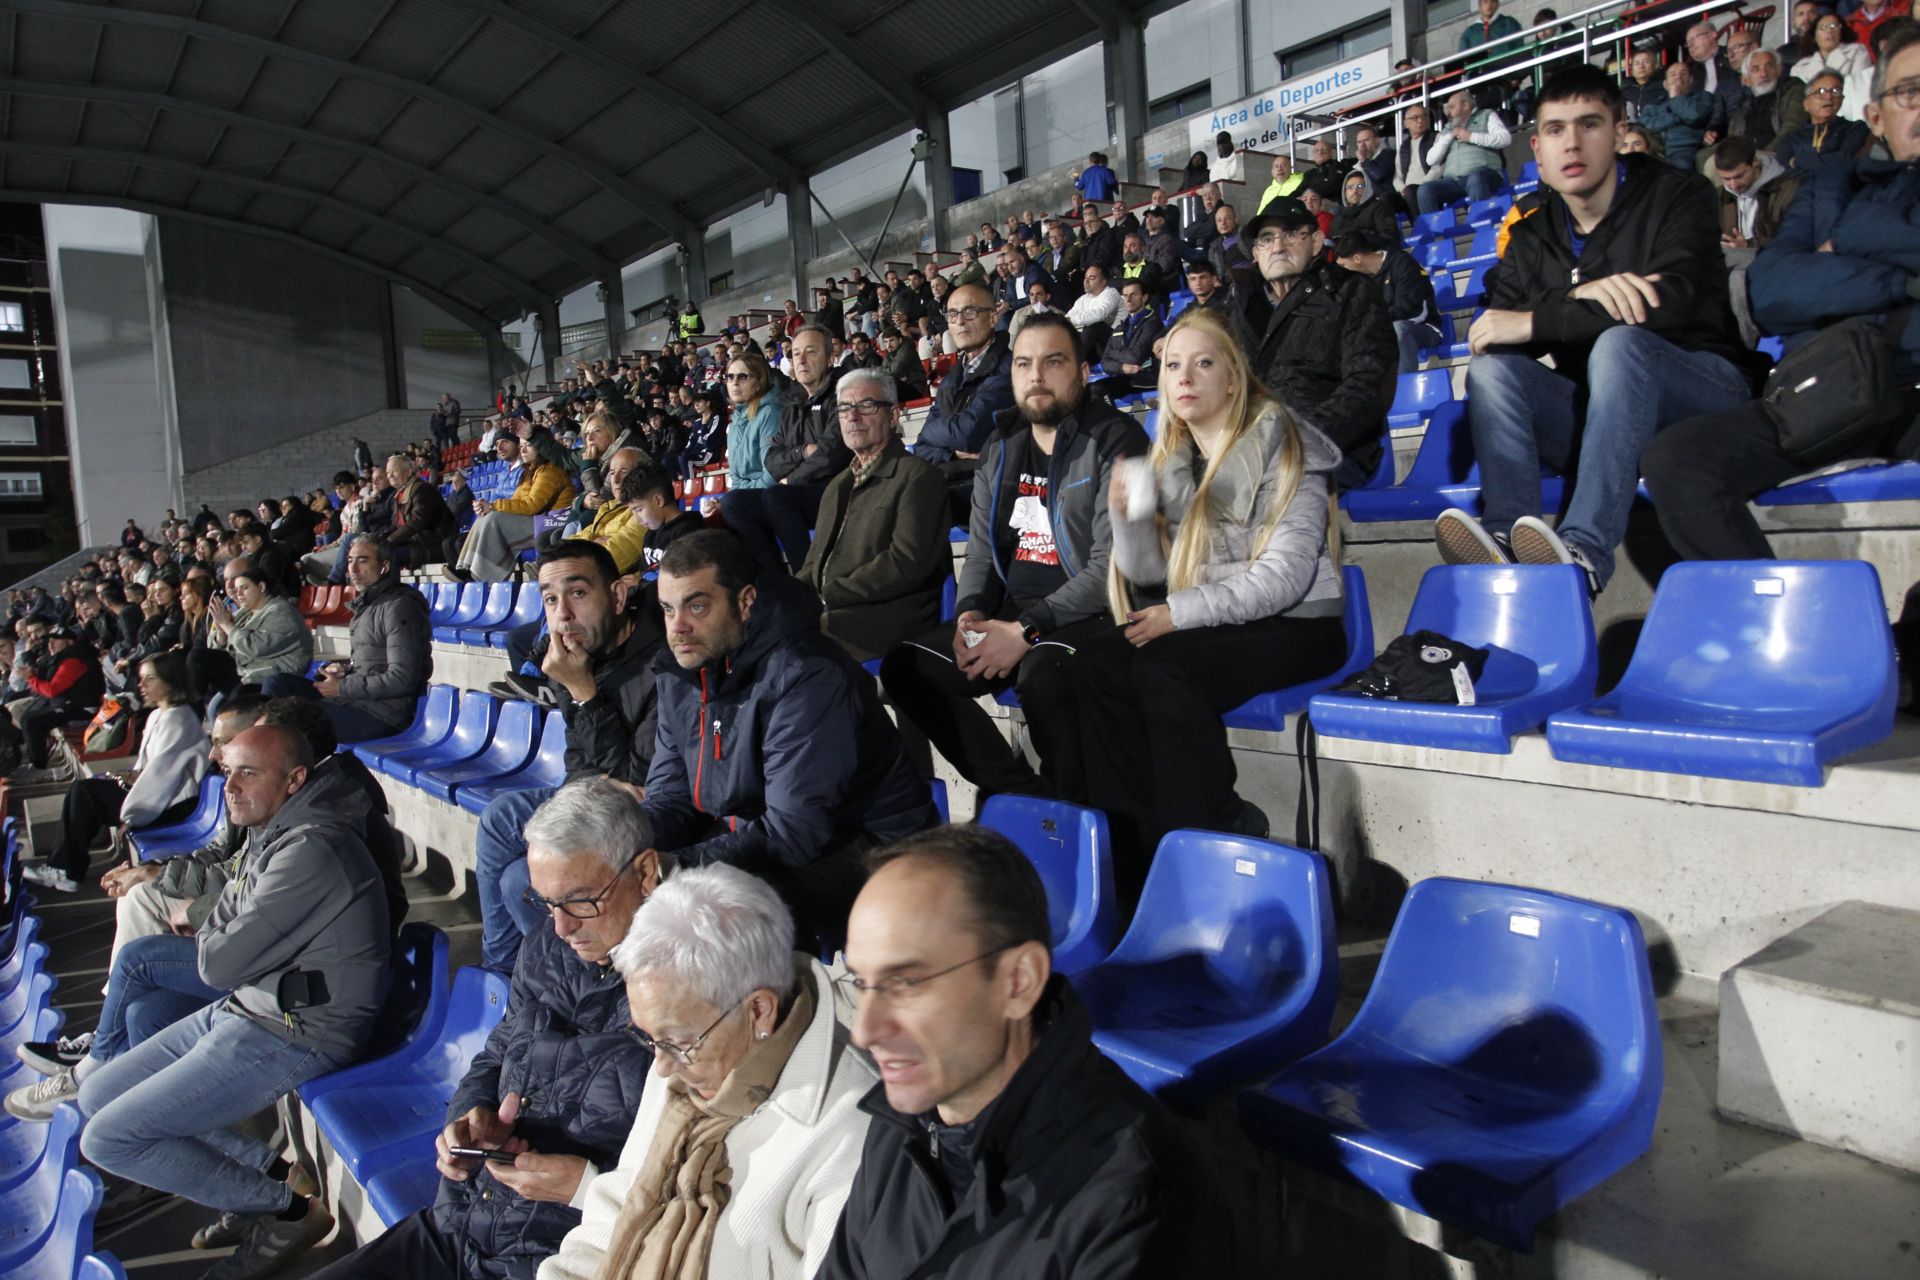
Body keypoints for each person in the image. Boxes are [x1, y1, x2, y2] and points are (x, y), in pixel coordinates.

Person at [817, 826, 1237, 1279]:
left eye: (906, 983)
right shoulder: (898, 1126)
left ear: (1019, 982)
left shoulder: (1136, 1198)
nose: (865, 1031)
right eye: (862, 982)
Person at [1431, 65, 1765, 596]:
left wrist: (1541, 318)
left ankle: (1583, 551)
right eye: (1556, 130)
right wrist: (1577, 295)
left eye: (1589, 125)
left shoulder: (1678, 194)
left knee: (1620, 343)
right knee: (1492, 371)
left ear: (1617, 132)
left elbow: (1668, 306)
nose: (1572, 143)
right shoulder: (1533, 232)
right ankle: (1505, 537)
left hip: (1703, 396)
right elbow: (1494, 332)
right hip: (1602, 416)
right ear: (1537, 149)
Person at [305, 779, 658, 1280]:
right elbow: (498, 1050)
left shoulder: (693, 993)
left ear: (645, 872)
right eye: (546, 902)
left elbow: (699, 1195)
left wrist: (586, 1187)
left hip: (558, 1256)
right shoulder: (549, 944)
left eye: (580, 901)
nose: (561, 928)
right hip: (460, 1223)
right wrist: (471, 1116)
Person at [75, 723, 390, 1280]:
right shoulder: (275, 831)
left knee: (109, 1139)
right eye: (226, 772)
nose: (230, 787)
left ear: (294, 779)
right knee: (96, 1094)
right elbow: (224, 927)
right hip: (252, 1006)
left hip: (299, 1030)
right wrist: (223, 929)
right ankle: (267, 1179)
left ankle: (287, 1214)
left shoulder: (311, 848)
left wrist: (220, 930)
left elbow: (215, 964)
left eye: (248, 772)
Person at [1074, 307, 1349, 894]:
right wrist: (1129, 520)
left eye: (1203, 363)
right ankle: (1137, 856)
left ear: (1233, 378)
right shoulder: (1173, 460)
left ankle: (1206, 842)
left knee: (1164, 668)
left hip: (1301, 624)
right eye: (1174, 365)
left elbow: (1286, 577)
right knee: (1095, 663)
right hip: (1218, 619)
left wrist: (1179, 614)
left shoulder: (1286, 447)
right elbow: (1153, 573)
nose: (1185, 377)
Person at [1643, 27, 1920, 561]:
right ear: (1876, 115)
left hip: (1913, 386)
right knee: (1676, 458)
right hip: (1826, 388)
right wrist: (1902, 281)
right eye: (1909, 92)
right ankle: (1774, 608)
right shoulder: (1832, 183)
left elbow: (1803, 280)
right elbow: (1770, 288)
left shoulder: (1838, 208)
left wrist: (1842, 250)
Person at [537, 862, 872, 1280]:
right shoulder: (686, 1053)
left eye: (676, 1042)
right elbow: (612, 1216)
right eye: (649, 1038)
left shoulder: (851, 1130)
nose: (662, 1069)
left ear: (759, 1011)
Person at [880, 314, 1149, 802]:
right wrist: (970, 615)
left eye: (1053, 362)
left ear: (1082, 372)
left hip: (1095, 614)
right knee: (906, 667)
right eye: (1024, 363)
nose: (1036, 376)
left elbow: (1114, 567)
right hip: (1017, 612)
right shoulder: (1001, 444)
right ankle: (1021, 793)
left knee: (1045, 676)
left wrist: (1026, 630)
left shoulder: (1121, 440)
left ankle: (1077, 811)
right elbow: (982, 551)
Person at [645, 530, 936, 946]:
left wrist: (675, 866)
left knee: (705, 916)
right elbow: (671, 797)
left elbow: (795, 832)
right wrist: (628, 852)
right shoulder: (681, 673)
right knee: (621, 889)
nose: (678, 627)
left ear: (745, 601)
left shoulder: (807, 674)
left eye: (697, 606)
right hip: (765, 835)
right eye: (667, 609)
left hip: (875, 850)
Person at [474, 540, 663, 969]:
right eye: (550, 599)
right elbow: (579, 763)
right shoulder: (575, 653)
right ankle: (500, 970)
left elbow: (636, 784)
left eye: (577, 593)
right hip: (598, 795)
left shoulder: (660, 665)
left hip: (644, 815)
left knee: (519, 881)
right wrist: (578, 690)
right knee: (500, 818)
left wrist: (584, 692)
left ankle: (564, 977)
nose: (563, 614)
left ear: (617, 596)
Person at [1234, 205, 1398, 487]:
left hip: (1333, 451)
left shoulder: (1351, 291)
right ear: (1256, 254)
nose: (1278, 247)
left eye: (1291, 235)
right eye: (1267, 239)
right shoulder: (1240, 308)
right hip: (1254, 454)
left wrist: (1300, 436)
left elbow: (1368, 384)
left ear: (1316, 241)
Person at [21, 652, 208, 894]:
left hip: (172, 805)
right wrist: (123, 778)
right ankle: (65, 868)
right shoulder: (160, 714)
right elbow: (149, 769)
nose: (141, 685)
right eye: (141, 678)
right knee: (85, 789)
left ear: (171, 681)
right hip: (160, 797)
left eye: (150, 678)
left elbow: (162, 778)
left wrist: (133, 816)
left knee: (85, 793)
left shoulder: (178, 720)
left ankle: (66, 870)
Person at [796, 370, 949, 663]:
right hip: (836, 610)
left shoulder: (918, 476)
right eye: (844, 408)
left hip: (886, 617)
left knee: (796, 645)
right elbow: (814, 564)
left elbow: (905, 563)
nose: (852, 417)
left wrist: (828, 595)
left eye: (866, 406)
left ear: (893, 416)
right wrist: (788, 595)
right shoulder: (836, 486)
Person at [726, 326, 847, 574]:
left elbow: (830, 456)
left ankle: (807, 577)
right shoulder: (791, 403)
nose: (801, 360)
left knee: (777, 496)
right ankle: (774, 581)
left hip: (836, 489)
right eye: (795, 353)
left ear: (830, 358)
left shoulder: (843, 393)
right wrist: (801, 452)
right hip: (798, 493)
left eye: (810, 352)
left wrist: (791, 479)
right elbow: (772, 460)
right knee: (734, 503)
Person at [302, 535, 433, 742]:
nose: (352, 569)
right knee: (280, 687)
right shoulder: (370, 604)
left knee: (293, 721)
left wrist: (342, 688)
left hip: (383, 715)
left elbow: (402, 678)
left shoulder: (400, 607)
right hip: (357, 702)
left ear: (384, 567)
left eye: (362, 561)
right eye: (350, 561)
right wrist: (345, 670)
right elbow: (373, 661)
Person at [449, 432, 572, 581]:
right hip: (538, 520)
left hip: (552, 522)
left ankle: (481, 577)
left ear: (541, 447)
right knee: (485, 518)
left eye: (528, 445)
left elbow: (532, 505)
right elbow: (517, 500)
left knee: (494, 519)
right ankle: (466, 568)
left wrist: (493, 506)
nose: (523, 450)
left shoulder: (550, 470)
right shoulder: (530, 472)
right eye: (521, 446)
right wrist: (487, 507)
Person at [198, 554, 313, 701]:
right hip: (246, 672)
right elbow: (216, 650)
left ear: (261, 587)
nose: (237, 592)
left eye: (244, 587)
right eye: (228, 581)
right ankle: (192, 704)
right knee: (198, 657)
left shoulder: (283, 612)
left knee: (237, 697)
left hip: (271, 679)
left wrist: (227, 625)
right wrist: (221, 633)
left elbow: (256, 647)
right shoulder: (245, 612)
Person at [1336, 228, 1443, 373]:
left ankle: (1404, 384)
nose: (1343, 270)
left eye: (1344, 265)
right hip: (1383, 332)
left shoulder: (1402, 263)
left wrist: (1373, 321)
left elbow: (1409, 307)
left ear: (1357, 259)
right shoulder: (1359, 281)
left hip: (1422, 327)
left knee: (1397, 328)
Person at [13, 624, 105, 772]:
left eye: (56, 640)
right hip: (71, 705)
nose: (50, 645)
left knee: (32, 723)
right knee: (27, 718)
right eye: (49, 641)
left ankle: (38, 768)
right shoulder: (64, 657)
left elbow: (52, 690)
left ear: (69, 642)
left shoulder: (74, 659)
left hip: (83, 709)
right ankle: (36, 761)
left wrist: (30, 678)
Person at [1420, 89, 1512, 212]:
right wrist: (1449, 137)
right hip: (1454, 181)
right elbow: (1430, 160)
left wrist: (1471, 137)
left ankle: (1480, 218)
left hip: (1486, 174)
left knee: (1475, 178)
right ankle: (1433, 224)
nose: (1447, 111)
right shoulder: (1447, 129)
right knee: (1425, 190)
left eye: (1452, 107)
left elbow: (1505, 138)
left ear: (1465, 106)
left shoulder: (1486, 115)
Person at [1773, 69, 1874, 168]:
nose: (1829, 96)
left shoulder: (1855, 129)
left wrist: (1797, 161)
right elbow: (1782, 166)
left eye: (1835, 91)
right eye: (1821, 92)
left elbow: (1844, 163)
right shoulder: (1792, 138)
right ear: (1806, 104)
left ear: (1842, 99)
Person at [1792, 13, 1875, 121]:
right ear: (1814, 36)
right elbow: (1799, 102)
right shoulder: (1800, 67)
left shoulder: (1857, 52)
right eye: (1823, 28)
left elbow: (1859, 89)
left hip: (1849, 116)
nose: (1829, 31)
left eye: (1834, 26)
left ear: (1841, 31)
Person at [1641, 61, 1718, 169]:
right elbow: (1645, 127)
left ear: (1691, 80)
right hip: (1656, 150)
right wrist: (1678, 117)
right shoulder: (1654, 106)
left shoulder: (1702, 98)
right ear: (1665, 84)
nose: (1678, 77)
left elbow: (1693, 116)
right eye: (1673, 74)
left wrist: (1676, 98)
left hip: (1684, 150)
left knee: (1680, 167)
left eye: (1683, 73)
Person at [387, 452, 457, 567]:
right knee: (377, 550)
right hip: (414, 543)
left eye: (394, 471)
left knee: (385, 556)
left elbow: (417, 522)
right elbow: (396, 525)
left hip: (431, 546)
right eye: (388, 472)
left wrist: (389, 541)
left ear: (408, 472)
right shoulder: (399, 494)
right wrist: (379, 538)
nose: (390, 475)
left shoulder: (422, 489)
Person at [1099, 279, 1165, 392]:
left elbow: (1135, 357)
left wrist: (1112, 353)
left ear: (1144, 297)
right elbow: (1104, 362)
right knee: (1090, 390)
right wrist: (1121, 367)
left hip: (1145, 377)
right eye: (1125, 295)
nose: (1128, 299)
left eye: (1133, 295)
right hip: (1124, 376)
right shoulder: (1120, 327)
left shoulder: (1152, 322)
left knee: (1098, 390)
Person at [1737, 49, 1810, 147]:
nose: (1763, 74)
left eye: (1769, 66)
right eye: (1756, 69)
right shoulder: (1743, 108)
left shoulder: (1794, 91)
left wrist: (1765, 154)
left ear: (1779, 70)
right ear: (1746, 80)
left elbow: (1792, 128)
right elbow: (1732, 142)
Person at [1329, 168, 1399, 251]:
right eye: (1350, 187)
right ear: (1344, 193)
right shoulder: (1338, 219)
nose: (1355, 191)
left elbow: (1390, 240)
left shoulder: (1379, 208)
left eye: (1360, 186)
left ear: (1367, 189)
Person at [1397, 103, 1440, 211]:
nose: (1420, 120)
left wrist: (1421, 184)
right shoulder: (1403, 147)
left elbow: (1438, 168)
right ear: (1406, 123)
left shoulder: (1436, 137)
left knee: (1412, 191)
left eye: (1424, 116)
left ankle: (1420, 221)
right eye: (1415, 117)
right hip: (1407, 191)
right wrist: (1402, 189)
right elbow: (1397, 176)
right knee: (1386, 199)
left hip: (1428, 187)